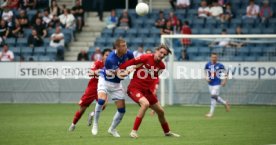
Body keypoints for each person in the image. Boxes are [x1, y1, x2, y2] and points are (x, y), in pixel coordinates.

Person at [119, 44, 180, 138]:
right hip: (134, 89)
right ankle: (133, 131)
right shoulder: (145, 57)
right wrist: (120, 68)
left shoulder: (162, 66)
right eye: (161, 52)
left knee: (161, 112)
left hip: (147, 91)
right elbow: (131, 62)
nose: (162, 55)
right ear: (156, 51)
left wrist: (153, 90)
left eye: (164, 54)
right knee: (145, 104)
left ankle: (167, 132)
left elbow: (155, 79)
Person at [91, 38, 134, 137]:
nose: (126, 47)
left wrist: (136, 66)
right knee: (101, 100)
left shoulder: (129, 53)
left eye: (126, 45)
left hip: (116, 84)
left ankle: (112, 129)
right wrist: (129, 71)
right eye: (123, 46)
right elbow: (121, 75)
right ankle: (95, 123)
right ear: (117, 47)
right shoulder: (110, 59)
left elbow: (134, 62)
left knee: (122, 110)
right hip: (105, 81)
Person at [69, 49, 111, 131]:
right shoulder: (98, 63)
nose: (108, 57)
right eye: (106, 55)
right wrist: (99, 71)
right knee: (82, 108)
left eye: (110, 55)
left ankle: (92, 114)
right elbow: (90, 73)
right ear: (103, 56)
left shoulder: (111, 65)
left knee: (104, 104)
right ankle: (73, 124)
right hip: (92, 88)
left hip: (102, 87)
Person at [204, 53, 230, 118]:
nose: (214, 58)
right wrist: (206, 78)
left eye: (215, 57)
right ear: (211, 57)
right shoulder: (208, 64)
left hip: (217, 84)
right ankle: (225, 103)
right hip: (210, 84)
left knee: (213, 96)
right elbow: (205, 71)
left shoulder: (220, 65)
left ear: (217, 58)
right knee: (215, 97)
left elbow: (226, 73)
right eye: (212, 57)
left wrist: (224, 81)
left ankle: (211, 113)